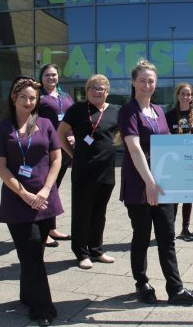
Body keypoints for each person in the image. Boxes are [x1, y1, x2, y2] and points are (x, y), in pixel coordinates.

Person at [118, 59, 193, 305]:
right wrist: (149, 183)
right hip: (139, 183)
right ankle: (142, 283)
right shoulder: (128, 111)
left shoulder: (157, 111)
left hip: (163, 183)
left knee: (167, 237)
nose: (147, 85)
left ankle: (175, 290)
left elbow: (169, 145)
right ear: (134, 82)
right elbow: (134, 148)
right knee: (142, 237)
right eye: (143, 80)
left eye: (151, 81)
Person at [0, 76, 63, 327]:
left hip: (45, 199)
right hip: (17, 200)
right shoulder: (3, 128)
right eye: (24, 97)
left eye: (33, 98)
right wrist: (24, 194)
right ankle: (43, 308)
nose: (29, 102)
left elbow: (56, 159)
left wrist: (44, 190)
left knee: (35, 252)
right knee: (31, 251)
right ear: (14, 97)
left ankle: (27, 295)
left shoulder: (44, 124)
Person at [57, 75, 119, 269]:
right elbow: (60, 134)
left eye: (100, 88)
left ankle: (96, 249)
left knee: (100, 213)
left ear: (107, 91)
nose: (96, 90)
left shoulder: (116, 111)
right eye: (92, 87)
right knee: (82, 212)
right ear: (86, 90)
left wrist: (112, 146)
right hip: (84, 170)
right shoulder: (76, 110)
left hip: (106, 171)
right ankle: (81, 252)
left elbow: (122, 135)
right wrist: (72, 154)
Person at [38, 63, 74, 247]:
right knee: (48, 188)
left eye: (54, 75)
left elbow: (73, 116)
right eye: (47, 75)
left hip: (65, 148)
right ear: (41, 78)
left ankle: (51, 228)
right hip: (48, 148)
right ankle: (43, 232)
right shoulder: (38, 96)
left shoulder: (64, 96)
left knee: (54, 189)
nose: (51, 78)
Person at [165, 83, 193, 241]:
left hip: (190, 163)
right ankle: (169, 230)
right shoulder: (168, 116)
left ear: (192, 97)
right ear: (177, 95)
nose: (185, 96)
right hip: (174, 164)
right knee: (173, 199)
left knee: (188, 197)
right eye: (183, 94)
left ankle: (185, 229)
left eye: (188, 94)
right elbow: (165, 140)